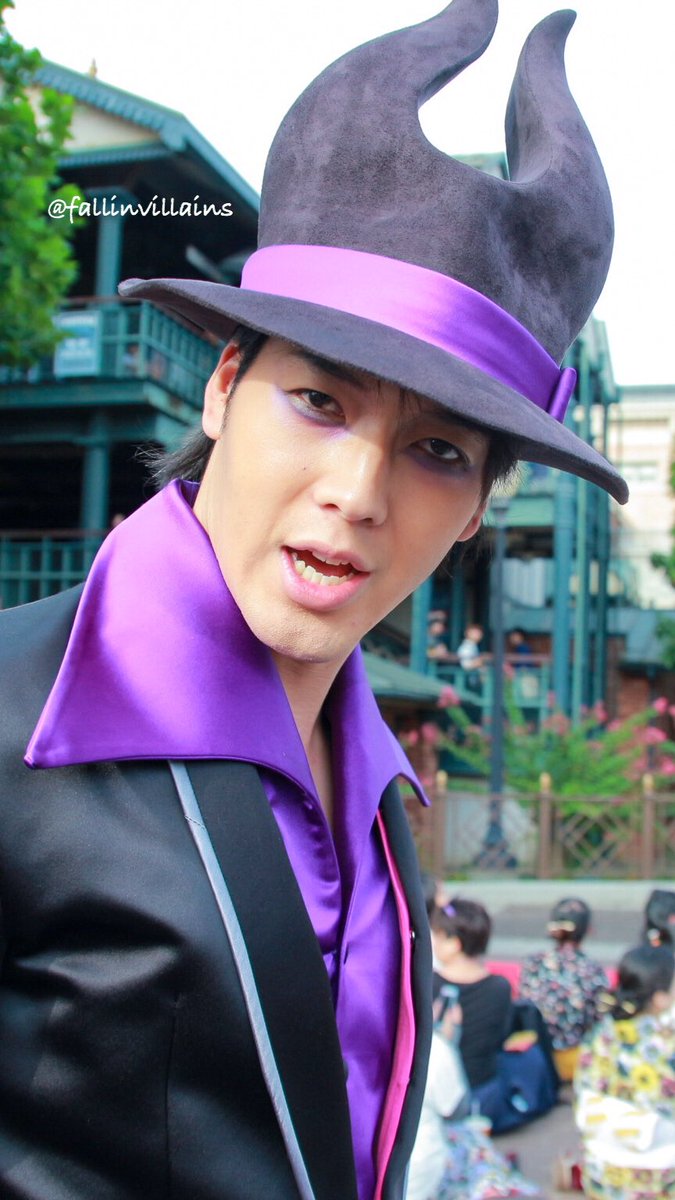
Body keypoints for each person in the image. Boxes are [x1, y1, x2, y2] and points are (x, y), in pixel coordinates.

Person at [0, 2, 627, 1197]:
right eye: (320, 403)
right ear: (223, 387)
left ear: (478, 509)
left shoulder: (381, 783)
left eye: (438, 451)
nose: (358, 493)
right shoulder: (10, 717)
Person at [575, 944, 675, 1200]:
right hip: (658, 1178)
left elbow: (582, 1094)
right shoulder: (666, 1045)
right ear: (660, 998)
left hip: (603, 1176)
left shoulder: (601, 1034)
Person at [519, 897, 608, 1081]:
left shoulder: (533, 963)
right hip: (573, 1061)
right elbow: (598, 1021)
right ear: (588, 930)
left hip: (535, 1056)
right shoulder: (591, 969)